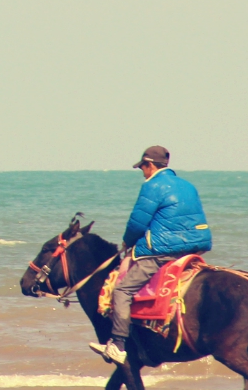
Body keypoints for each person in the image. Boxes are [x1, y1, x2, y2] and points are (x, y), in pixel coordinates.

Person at [89, 146, 213, 366]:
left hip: (164, 251)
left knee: (122, 290)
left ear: (150, 165)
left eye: (143, 168)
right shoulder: (187, 185)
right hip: (194, 247)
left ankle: (118, 345)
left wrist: (128, 241)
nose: (143, 172)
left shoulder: (152, 186)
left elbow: (138, 222)